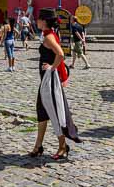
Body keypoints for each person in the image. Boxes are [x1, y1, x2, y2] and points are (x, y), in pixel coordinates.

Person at [29, 8, 81, 159]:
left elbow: (60, 54)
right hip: (46, 81)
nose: (37, 21)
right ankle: (38, 146)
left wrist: (52, 68)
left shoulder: (49, 37)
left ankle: (62, 146)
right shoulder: (48, 35)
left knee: (55, 111)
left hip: (49, 81)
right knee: (42, 112)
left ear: (44, 21)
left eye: (39, 19)